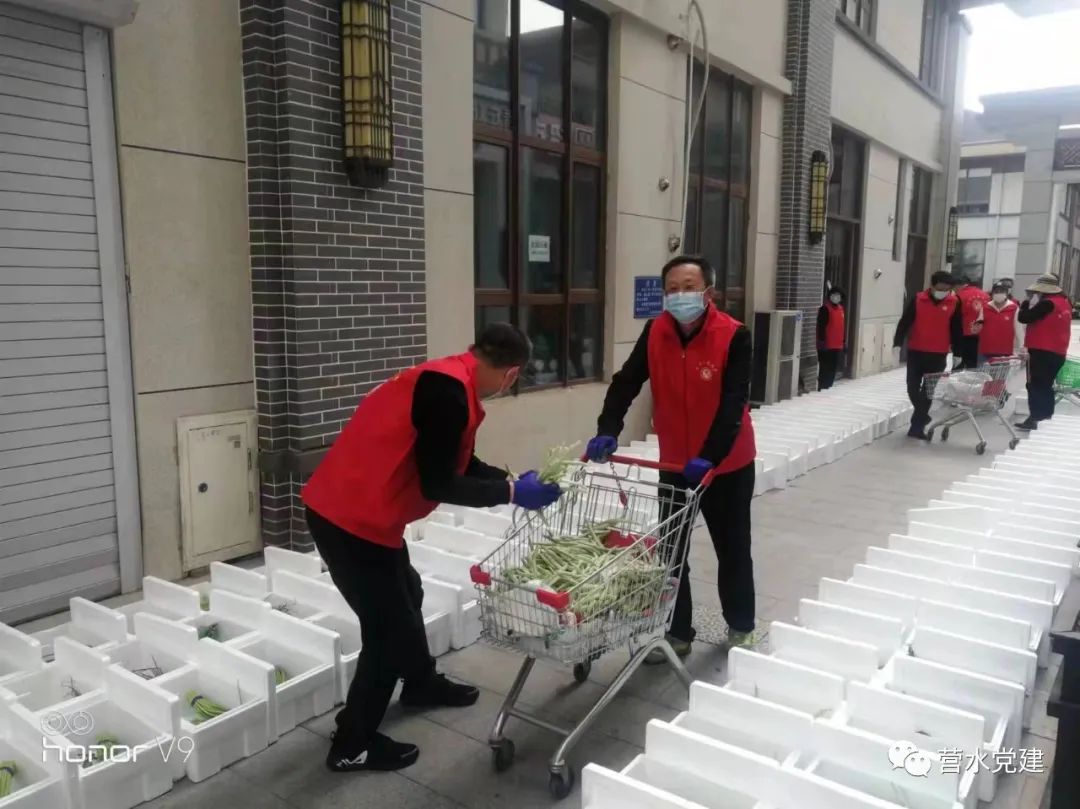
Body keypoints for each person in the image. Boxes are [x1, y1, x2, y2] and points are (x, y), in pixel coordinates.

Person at [301, 323, 562, 772]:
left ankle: (420, 683)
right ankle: (351, 745)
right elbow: (439, 482)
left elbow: (454, 460)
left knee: (409, 591)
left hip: (365, 513)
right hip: (348, 520)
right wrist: (511, 494)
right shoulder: (448, 395)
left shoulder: (448, 377)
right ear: (511, 374)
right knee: (387, 631)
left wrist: (509, 479)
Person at [584, 255, 757, 658]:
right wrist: (608, 428)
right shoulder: (656, 331)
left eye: (688, 287)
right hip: (676, 464)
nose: (680, 296)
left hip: (726, 465)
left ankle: (741, 626)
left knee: (731, 547)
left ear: (708, 292)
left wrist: (710, 456)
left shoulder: (734, 335)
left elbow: (733, 404)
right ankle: (677, 632)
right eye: (672, 289)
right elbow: (626, 382)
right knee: (672, 550)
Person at [893, 271, 963, 439]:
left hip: (938, 354)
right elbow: (905, 322)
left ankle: (916, 428)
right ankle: (923, 416)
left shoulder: (954, 302)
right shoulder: (918, 299)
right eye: (941, 288)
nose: (944, 291)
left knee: (927, 392)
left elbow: (956, 328)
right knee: (912, 388)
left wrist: (958, 352)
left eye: (947, 289)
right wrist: (897, 343)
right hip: (916, 351)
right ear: (933, 285)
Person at [1015, 273, 1073, 431]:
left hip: (1041, 351)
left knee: (1035, 385)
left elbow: (1024, 317)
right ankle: (1045, 418)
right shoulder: (1065, 302)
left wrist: (1026, 301)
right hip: (1058, 352)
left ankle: (1036, 418)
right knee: (1046, 385)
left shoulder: (1047, 304)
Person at [978, 282, 1020, 362]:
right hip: (985, 350)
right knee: (983, 370)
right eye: (996, 291)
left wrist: (1021, 348)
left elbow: (1019, 330)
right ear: (992, 293)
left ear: (1007, 293)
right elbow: (979, 324)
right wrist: (976, 327)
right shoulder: (985, 307)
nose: (999, 293)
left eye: (1002, 291)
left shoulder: (1014, 308)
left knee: (1002, 370)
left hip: (1005, 351)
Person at [953, 275, 989, 369]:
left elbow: (955, 317)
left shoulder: (958, 296)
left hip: (964, 334)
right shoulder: (986, 296)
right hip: (983, 335)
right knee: (976, 364)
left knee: (961, 365)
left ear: (958, 286)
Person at [816, 287, 846, 390]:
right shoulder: (825, 309)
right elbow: (821, 327)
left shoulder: (841, 309)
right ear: (830, 296)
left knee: (833, 368)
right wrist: (821, 342)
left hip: (837, 345)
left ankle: (829, 387)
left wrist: (843, 342)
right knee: (825, 368)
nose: (836, 297)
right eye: (834, 295)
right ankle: (822, 387)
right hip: (826, 345)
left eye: (838, 295)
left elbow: (841, 327)